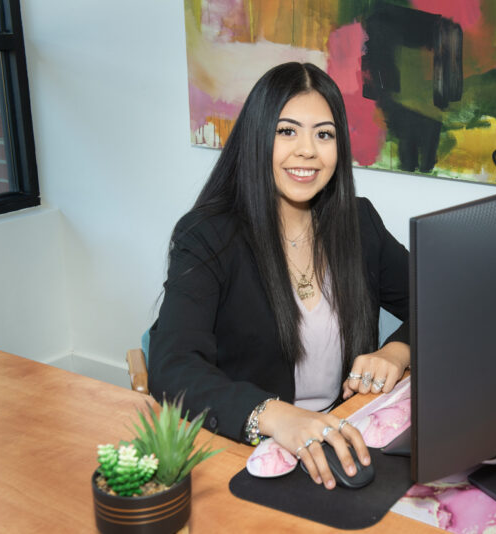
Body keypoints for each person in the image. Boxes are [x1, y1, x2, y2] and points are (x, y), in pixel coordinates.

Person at [148, 62, 410, 490]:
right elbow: (172, 367)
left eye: (323, 134)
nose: (307, 150)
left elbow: (440, 298)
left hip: (342, 438)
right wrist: (275, 416)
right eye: (286, 131)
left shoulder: (360, 223)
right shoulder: (208, 236)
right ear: (256, 139)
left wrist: (399, 351)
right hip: (249, 450)